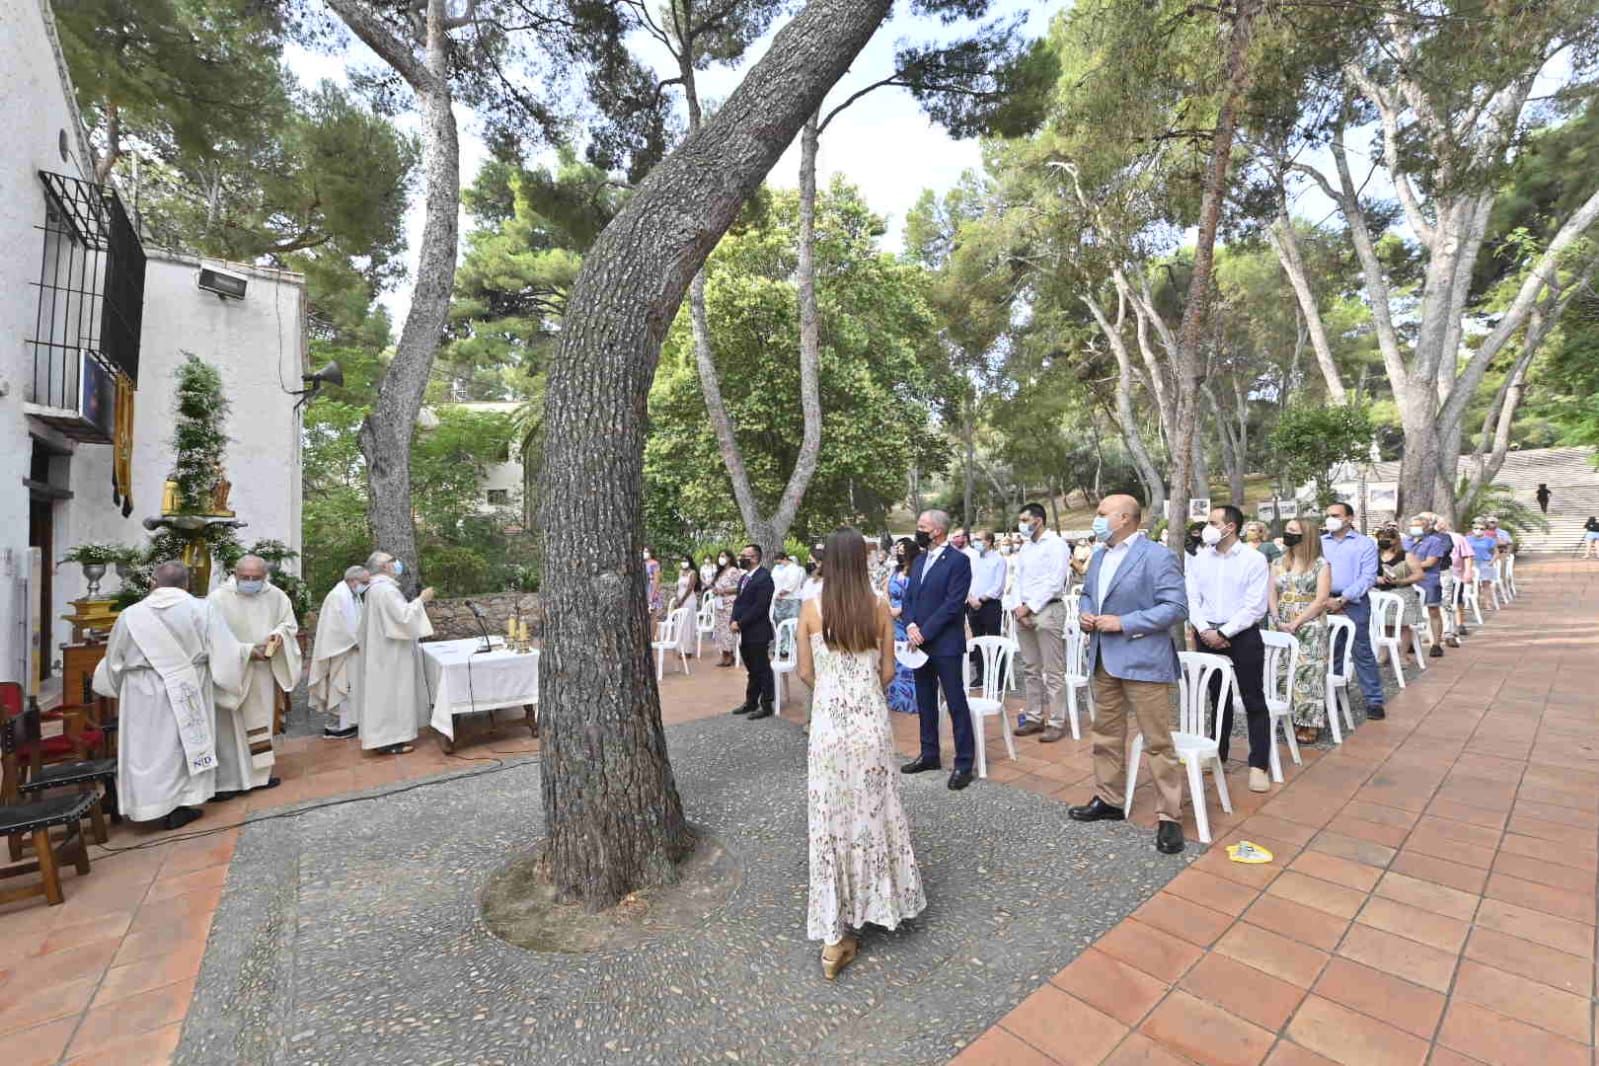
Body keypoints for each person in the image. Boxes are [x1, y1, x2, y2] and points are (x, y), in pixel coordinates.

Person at [798, 527, 926, 980]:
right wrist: (864, 689)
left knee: (832, 818)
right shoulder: (877, 608)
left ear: (827, 562)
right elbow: (889, 671)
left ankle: (836, 931)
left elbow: (805, 671)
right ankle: (880, 901)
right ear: (862, 561)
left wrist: (833, 691)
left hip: (830, 728)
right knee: (874, 813)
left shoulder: (812, 609)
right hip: (870, 726)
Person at [1068, 494, 1189, 855]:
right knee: (1105, 734)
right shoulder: (1101, 555)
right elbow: (1089, 595)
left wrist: (1125, 623)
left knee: (1158, 741)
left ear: (1124, 518)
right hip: (1104, 658)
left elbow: (1176, 606)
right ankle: (1109, 799)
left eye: (1102, 513)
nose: (1097, 518)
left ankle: (1170, 816)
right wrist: (1085, 615)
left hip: (1144, 660)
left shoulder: (1157, 556)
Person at [91, 561, 250, 830]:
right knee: (181, 746)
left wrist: (123, 689)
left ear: (153, 582)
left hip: (142, 691)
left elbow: (114, 661)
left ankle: (146, 805)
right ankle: (183, 804)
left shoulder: (130, 615)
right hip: (190, 683)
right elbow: (224, 652)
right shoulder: (202, 609)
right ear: (186, 583)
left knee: (147, 749)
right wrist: (232, 678)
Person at [1185, 505, 1273, 793]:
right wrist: (1205, 630)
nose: (1206, 528)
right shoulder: (1199, 559)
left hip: (1243, 634)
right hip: (1207, 632)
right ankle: (1216, 754)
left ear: (1230, 527)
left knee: (1253, 700)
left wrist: (1224, 632)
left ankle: (1259, 765)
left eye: (1212, 522)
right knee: (1217, 698)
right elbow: (1192, 600)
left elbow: (1255, 606)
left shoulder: (1254, 559)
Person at [209, 555, 300, 795]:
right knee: (230, 728)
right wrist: (247, 652)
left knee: (261, 721)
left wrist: (279, 635)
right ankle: (228, 782)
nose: (250, 582)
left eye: (256, 578)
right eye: (245, 577)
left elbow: (288, 624)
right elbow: (212, 638)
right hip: (232, 672)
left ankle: (259, 776)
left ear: (265, 576)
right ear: (235, 574)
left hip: (262, 672)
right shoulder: (218, 599)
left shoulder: (276, 596)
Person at [900, 509, 977, 790]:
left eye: (922, 526)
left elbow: (953, 603)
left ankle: (964, 763)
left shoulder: (959, 561)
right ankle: (929, 753)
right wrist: (909, 625)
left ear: (938, 531)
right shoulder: (919, 560)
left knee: (955, 703)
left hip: (944, 644)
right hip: (918, 643)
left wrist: (924, 631)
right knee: (925, 701)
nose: (917, 530)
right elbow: (909, 597)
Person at [356, 552, 436, 754]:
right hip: (390, 654)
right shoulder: (384, 590)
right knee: (392, 694)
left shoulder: (377, 589)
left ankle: (384, 738)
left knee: (385, 695)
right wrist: (422, 599)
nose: (397, 564)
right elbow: (403, 618)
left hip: (383, 652)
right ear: (385, 567)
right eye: (393, 561)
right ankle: (390, 740)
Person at [1008, 503, 1072, 743]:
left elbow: (1055, 582)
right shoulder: (1026, 548)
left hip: (1047, 609)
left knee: (1053, 670)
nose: (1021, 524)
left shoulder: (1056, 545)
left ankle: (1057, 721)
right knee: (1030, 667)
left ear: (1039, 520)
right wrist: (1017, 607)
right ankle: (1034, 716)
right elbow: (1017, 579)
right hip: (1023, 610)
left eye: (1025, 520)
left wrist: (1030, 607)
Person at [1321, 502, 1387, 720]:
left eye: (1336, 515)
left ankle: (1374, 700)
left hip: (1354, 602)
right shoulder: (1321, 543)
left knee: (1362, 651)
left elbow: (1368, 577)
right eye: (1328, 515)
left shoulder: (1364, 544)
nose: (1331, 518)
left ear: (1349, 518)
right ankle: (1336, 695)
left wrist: (1342, 598)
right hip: (1324, 601)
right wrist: (1325, 599)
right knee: (1331, 650)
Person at [1268, 518, 1332, 744]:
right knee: (1282, 672)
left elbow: (1321, 599)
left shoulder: (1320, 564)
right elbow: (1271, 593)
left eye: (1293, 531)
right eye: (1287, 530)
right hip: (1280, 622)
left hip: (1309, 624)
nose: (1288, 534)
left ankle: (1308, 722)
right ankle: (1285, 715)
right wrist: (1276, 618)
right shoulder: (1277, 562)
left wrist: (1296, 623)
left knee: (1308, 673)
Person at [308, 566, 367, 739]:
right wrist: (354, 641)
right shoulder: (338, 596)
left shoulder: (353, 595)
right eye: (363, 582)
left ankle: (349, 723)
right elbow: (334, 628)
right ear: (352, 580)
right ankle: (338, 727)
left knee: (351, 688)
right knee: (341, 687)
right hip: (341, 652)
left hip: (352, 653)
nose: (365, 585)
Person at [730, 544, 776, 720]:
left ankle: (766, 704)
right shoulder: (744, 578)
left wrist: (740, 623)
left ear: (754, 558)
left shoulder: (764, 578)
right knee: (751, 669)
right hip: (744, 631)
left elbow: (759, 607)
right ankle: (751, 701)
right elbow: (739, 602)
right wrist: (733, 620)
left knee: (762, 668)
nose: (740, 558)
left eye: (744, 555)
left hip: (757, 631)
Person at [1402, 513, 1451, 658]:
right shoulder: (1406, 541)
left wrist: (1409, 566)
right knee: (1408, 612)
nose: (1415, 528)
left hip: (1428, 580)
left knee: (1433, 610)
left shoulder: (1434, 541)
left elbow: (1430, 562)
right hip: (1409, 580)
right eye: (1413, 526)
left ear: (1427, 527)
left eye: (1419, 526)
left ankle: (1436, 643)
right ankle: (1409, 642)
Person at [1375, 523, 1425, 664]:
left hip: (1402, 593)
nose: (1384, 541)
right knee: (1384, 625)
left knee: (1404, 625)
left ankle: (1402, 655)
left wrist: (1403, 580)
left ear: (1396, 540)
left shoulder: (1406, 555)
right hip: (1381, 593)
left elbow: (1419, 574)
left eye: (1388, 538)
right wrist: (1378, 579)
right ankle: (1384, 655)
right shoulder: (1373, 555)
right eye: (1381, 538)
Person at [965, 529, 1007, 687]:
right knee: (976, 641)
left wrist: (981, 599)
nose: (975, 542)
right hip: (972, 604)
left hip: (990, 604)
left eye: (978, 539)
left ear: (988, 541)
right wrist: (970, 598)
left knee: (994, 640)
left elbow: (998, 586)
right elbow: (967, 580)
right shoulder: (973, 559)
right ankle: (981, 676)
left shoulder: (999, 560)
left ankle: (998, 677)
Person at [885, 538, 920, 714]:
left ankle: (914, 701)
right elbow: (886, 591)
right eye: (897, 549)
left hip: (911, 620)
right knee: (896, 660)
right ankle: (896, 699)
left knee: (911, 661)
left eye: (901, 549)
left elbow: (920, 598)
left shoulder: (918, 571)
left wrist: (901, 609)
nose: (898, 552)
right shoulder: (895, 570)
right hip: (894, 623)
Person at [1435, 516, 1471, 643]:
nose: (1440, 526)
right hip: (1433, 576)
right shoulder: (1427, 538)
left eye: (1442, 523)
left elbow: (1467, 555)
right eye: (1438, 523)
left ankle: (1456, 626)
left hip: (1454, 574)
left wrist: (1468, 572)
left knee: (1453, 601)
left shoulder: (1456, 538)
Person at [711, 551, 741, 667]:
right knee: (720, 630)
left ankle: (730, 654)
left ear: (729, 558)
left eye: (723, 556)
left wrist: (724, 591)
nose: (721, 558)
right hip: (719, 604)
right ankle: (724, 654)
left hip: (729, 604)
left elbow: (739, 587)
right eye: (719, 556)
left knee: (728, 630)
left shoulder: (733, 571)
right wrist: (715, 590)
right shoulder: (720, 572)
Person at [670, 556, 702, 655]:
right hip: (679, 598)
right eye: (682, 560)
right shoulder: (680, 572)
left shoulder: (693, 573)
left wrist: (682, 600)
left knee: (688, 623)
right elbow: (677, 586)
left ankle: (687, 650)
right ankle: (679, 647)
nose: (684, 562)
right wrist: (677, 599)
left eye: (686, 560)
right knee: (680, 623)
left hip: (688, 600)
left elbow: (690, 588)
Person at [1466, 521, 1500, 608]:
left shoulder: (1490, 540)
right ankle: (1475, 602)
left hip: (1485, 563)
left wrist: (1491, 562)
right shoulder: (1467, 539)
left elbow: (1496, 553)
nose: (1479, 530)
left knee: (1486, 584)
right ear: (1472, 529)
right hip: (1472, 563)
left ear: (1485, 530)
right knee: (1474, 583)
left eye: (1481, 529)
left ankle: (1487, 603)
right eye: (1476, 528)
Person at [771, 551, 806, 631]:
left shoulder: (794, 568)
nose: (778, 565)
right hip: (778, 599)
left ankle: (792, 642)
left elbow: (791, 583)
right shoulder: (776, 568)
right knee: (780, 624)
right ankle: (782, 642)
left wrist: (782, 593)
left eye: (780, 563)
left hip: (791, 599)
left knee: (792, 623)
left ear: (785, 559)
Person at [643, 547, 664, 623]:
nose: (644, 553)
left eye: (646, 551)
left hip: (651, 589)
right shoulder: (641, 563)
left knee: (653, 616)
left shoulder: (654, 563)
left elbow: (656, 580)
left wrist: (652, 595)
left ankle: (653, 635)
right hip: (643, 587)